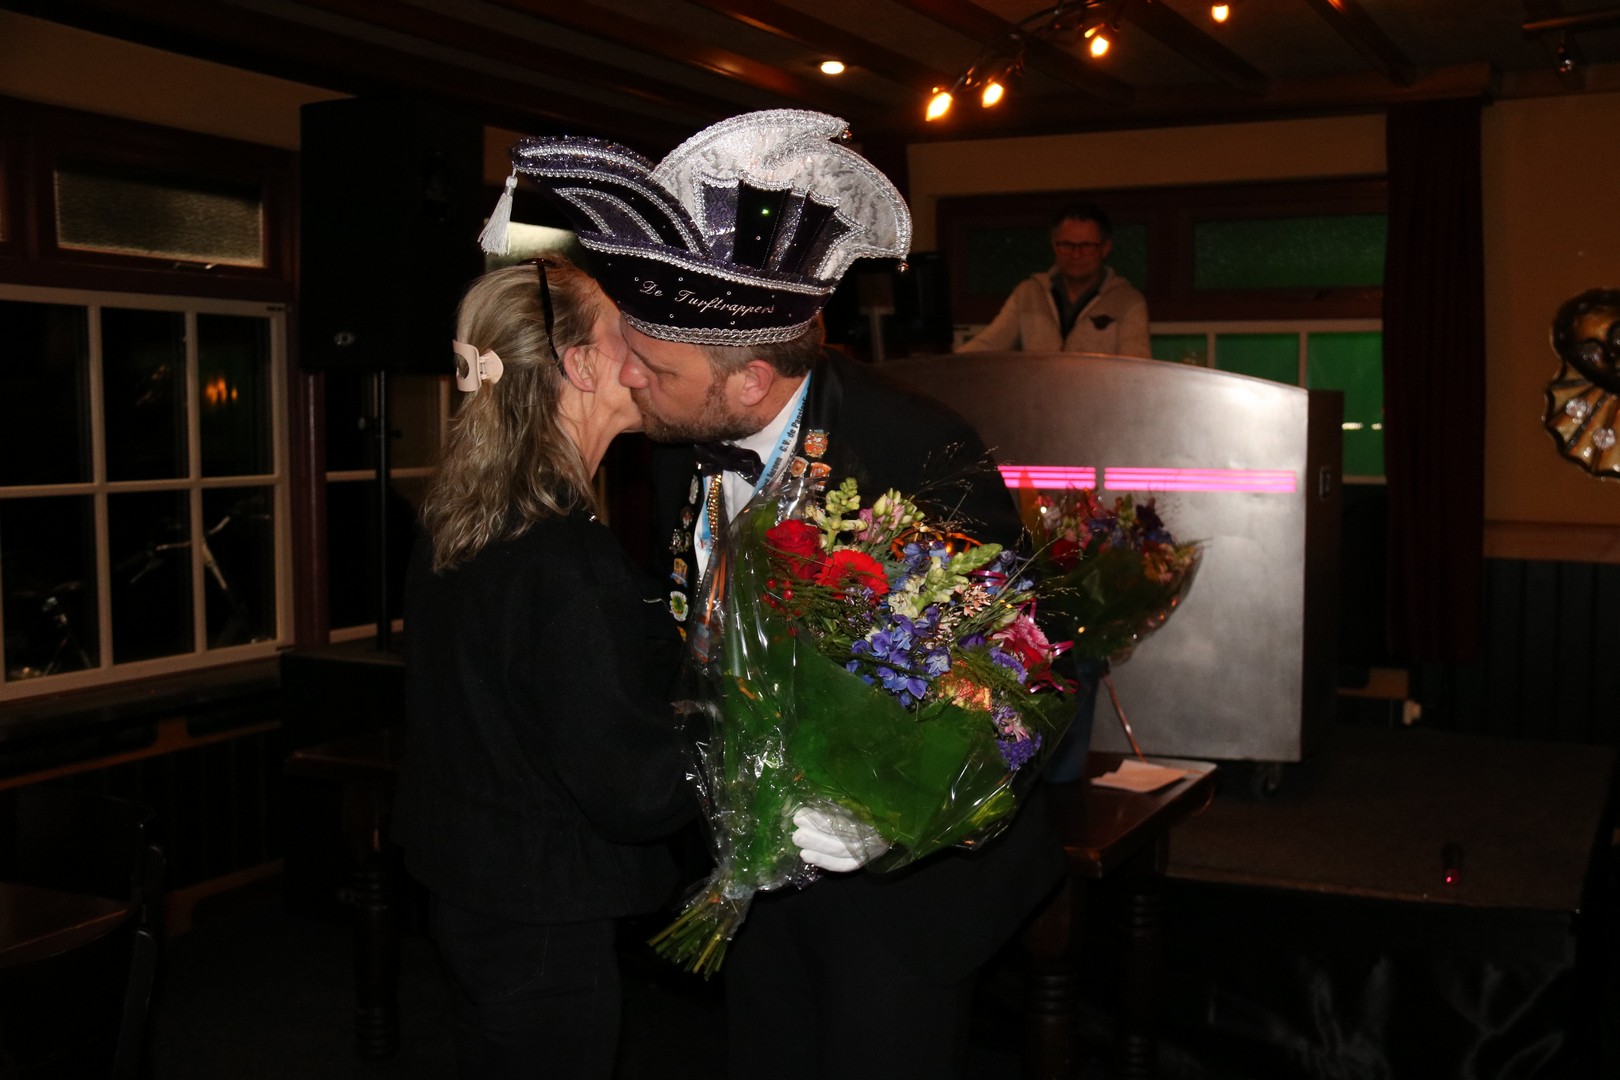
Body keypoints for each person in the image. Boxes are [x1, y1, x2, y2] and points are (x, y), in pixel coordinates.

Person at [490, 110, 1067, 1080]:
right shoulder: (678, 442)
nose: (626, 377)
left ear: (751, 381)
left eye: (654, 365)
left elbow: (1022, 677)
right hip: (757, 869)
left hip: (905, 895)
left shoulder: (913, 448)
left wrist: (886, 815)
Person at [390, 259, 699, 1079]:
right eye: (625, 333)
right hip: (538, 908)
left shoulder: (461, 517)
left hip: (474, 889)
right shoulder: (563, 554)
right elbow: (631, 787)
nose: (645, 353)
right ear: (583, 365)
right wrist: (739, 716)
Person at [958, 200, 1151, 357]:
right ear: (1054, 245)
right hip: (1037, 395)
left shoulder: (1128, 302)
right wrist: (947, 365)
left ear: (1105, 248)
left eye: (1086, 246)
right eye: (1066, 245)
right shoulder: (1029, 293)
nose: (1076, 255)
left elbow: (1136, 368)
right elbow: (988, 345)